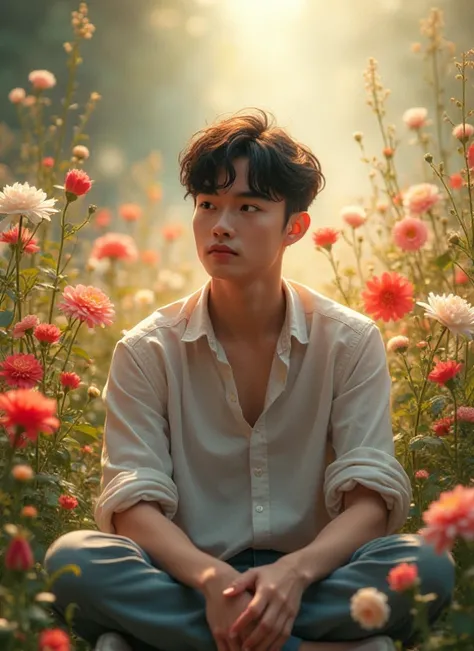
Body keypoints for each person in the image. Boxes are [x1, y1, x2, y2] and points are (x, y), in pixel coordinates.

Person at [45, 109, 454, 651]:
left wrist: (295, 573)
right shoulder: (147, 349)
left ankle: (181, 638)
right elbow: (133, 505)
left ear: (295, 227)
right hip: (191, 577)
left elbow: (369, 502)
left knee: (428, 562)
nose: (221, 224)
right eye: (209, 205)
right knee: (74, 560)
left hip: (314, 577)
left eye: (248, 208)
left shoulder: (349, 341)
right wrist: (213, 580)